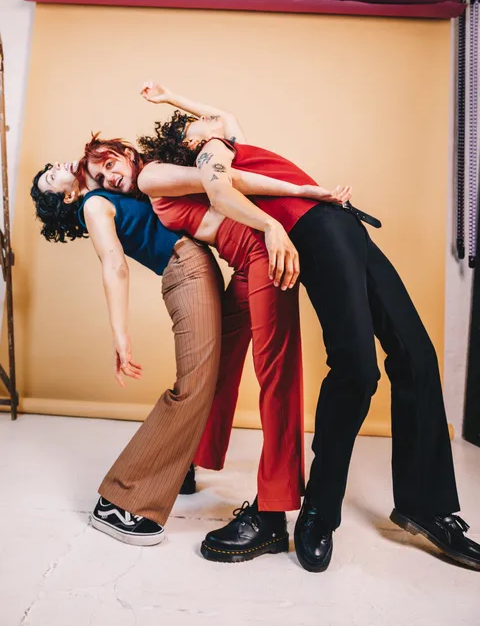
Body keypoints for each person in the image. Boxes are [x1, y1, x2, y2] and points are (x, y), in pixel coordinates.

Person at [86, 81, 480, 573]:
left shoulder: (221, 145)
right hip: (309, 230)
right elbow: (221, 185)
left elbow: (222, 119)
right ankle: (314, 511)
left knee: (416, 353)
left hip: (339, 222)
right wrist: (282, 214)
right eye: (100, 177)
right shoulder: (194, 161)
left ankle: (426, 506)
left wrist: (173, 100)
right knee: (354, 370)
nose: (203, 124)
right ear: (180, 142)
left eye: (108, 164)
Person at [31, 151, 345, 560]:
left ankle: (183, 466)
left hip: (203, 263)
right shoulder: (93, 205)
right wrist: (120, 335)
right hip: (187, 268)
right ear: (67, 197)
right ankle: (121, 501)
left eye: (53, 166)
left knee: (212, 375)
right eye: (50, 177)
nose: (56, 167)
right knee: (195, 386)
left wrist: (300, 194)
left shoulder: (115, 187)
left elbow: (218, 180)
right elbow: (114, 265)